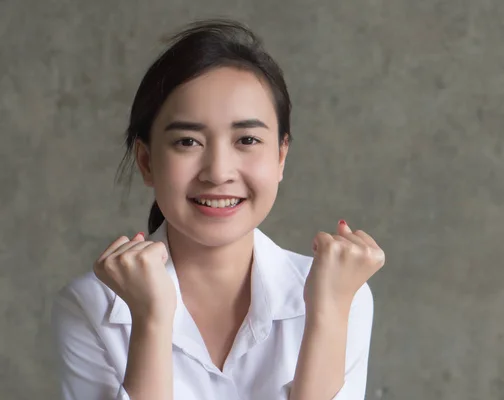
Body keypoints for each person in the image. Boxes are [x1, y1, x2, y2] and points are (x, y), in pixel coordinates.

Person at [51, 18, 385, 400]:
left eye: (247, 139)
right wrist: (152, 321)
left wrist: (326, 311)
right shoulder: (92, 306)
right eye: (188, 142)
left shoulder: (342, 291)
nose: (218, 172)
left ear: (280, 156)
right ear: (146, 161)